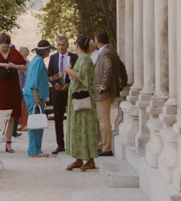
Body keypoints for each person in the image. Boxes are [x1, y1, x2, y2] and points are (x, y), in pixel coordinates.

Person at [63, 38, 100, 171]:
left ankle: (90, 160)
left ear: (77, 44)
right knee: (77, 128)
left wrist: (68, 70)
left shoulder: (85, 59)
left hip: (84, 100)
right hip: (76, 100)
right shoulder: (81, 59)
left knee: (86, 128)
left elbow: (82, 76)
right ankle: (78, 158)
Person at [92, 29, 127, 157]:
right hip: (107, 91)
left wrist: (105, 85)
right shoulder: (111, 50)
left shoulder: (105, 52)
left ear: (97, 40)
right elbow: (121, 66)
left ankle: (106, 148)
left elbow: (109, 66)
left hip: (104, 93)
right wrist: (123, 81)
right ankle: (103, 145)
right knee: (103, 119)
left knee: (103, 119)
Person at [23, 42, 52, 156]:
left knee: (36, 122)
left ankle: (36, 148)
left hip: (33, 94)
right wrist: (36, 96)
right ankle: (34, 150)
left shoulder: (36, 60)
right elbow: (34, 79)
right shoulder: (39, 61)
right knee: (36, 123)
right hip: (33, 94)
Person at [46, 35, 71, 155]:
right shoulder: (53, 58)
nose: (61, 47)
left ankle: (72, 143)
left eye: (63, 45)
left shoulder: (74, 57)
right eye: (59, 45)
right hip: (57, 92)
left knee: (72, 118)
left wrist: (69, 84)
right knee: (58, 119)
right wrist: (55, 83)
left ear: (67, 45)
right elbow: (50, 74)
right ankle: (60, 144)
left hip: (70, 92)